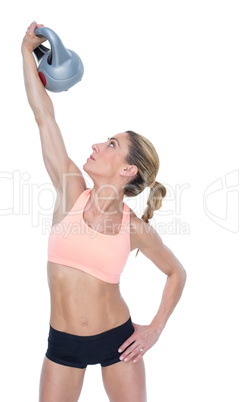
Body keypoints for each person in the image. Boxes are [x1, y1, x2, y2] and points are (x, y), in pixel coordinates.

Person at [21, 21, 187, 402]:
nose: (98, 144)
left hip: (119, 342)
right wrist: (26, 54)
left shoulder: (135, 228)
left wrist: (155, 328)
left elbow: (176, 272)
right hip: (62, 343)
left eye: (111, 144)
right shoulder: (71, 191)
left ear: (128, 169)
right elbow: (44, 116)